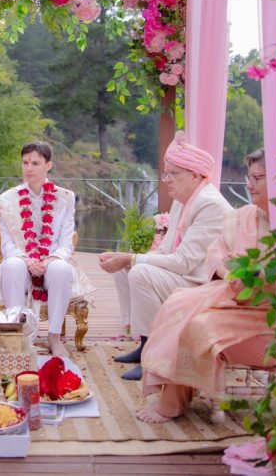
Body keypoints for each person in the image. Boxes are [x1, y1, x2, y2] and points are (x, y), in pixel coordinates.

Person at [138, 149, 274, 422]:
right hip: (231, 296)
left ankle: (174, 400)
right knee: (179, 304)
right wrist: (229, 271)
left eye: (257, 178)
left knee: (197, 323)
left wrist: (257, 274)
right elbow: (216, 252)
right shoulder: (243, 216)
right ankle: (174, 393)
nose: (249, 185)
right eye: (249, 178)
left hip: (268, 312)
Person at [98, 131, 231, 380]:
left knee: (139, 272)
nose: (167, 180)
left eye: (173, 174)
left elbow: (183, 262)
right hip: (186, 275)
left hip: (203, 284)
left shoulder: (210, 204)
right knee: (126, 270)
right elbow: (165, 250)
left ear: (195, 175)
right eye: (166, 173)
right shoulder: (184, 199)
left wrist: (131, 258)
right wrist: (127, 259)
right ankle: (144, 343)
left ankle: (155, 355)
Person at [0, 141, 93, 359]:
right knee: (12, 265)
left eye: (35, 163)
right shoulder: (7, 200)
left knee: (61, 269)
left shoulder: (64, 197)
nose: (29, 168)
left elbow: (66, 242)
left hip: (51, 262)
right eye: (25, 162)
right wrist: (28, 261)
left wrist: (48, 261)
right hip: (21, 263)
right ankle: (17, 334)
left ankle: (54, 336)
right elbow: (7, 244)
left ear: (48, 165)